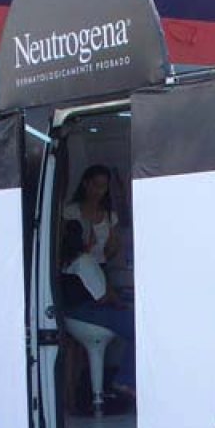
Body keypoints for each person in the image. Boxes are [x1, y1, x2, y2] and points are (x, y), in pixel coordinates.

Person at [59, 218, 135, 401]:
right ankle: (125, 380)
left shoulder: (65, 262)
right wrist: (120, 302)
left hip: (72, 315)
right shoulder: (85, 260)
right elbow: (102, 297)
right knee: (137, 326)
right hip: (88, 314)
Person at [62, 164, 121, 266]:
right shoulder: (69, 212)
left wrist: (112, 247)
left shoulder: (111, 217)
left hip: (99, 267)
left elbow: (112, 251)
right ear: (85, 184)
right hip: (75, 268)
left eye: (103, 186)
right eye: (95, 185)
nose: (99, 190)